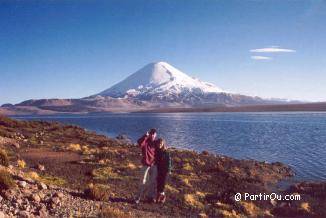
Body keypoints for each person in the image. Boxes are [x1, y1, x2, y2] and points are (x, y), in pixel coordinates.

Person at [135, 128, 159, 204]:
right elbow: (139, 143)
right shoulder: (145, 142)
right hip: (145, 165)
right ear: (149, 134)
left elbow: (161, 149)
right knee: (142, 181)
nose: (152, 135)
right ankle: (138, 197)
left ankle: (150, 197)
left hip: (154, 165)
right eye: (151, 133)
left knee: (152, 182)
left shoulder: (156, 143)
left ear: (156, 135)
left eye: (154, 134)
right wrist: (145, 135)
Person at [156, 138, 172, 203]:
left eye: (161, 143)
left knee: (163, 183)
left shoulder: (166, 152)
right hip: (158, 169)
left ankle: (162, 196)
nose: (159, 145)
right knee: (158, 182)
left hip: (164, 170)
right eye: (158, 143)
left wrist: (169, 169)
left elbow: (169, 161)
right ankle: (158, 195)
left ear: (163, 144)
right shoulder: (157, 151)